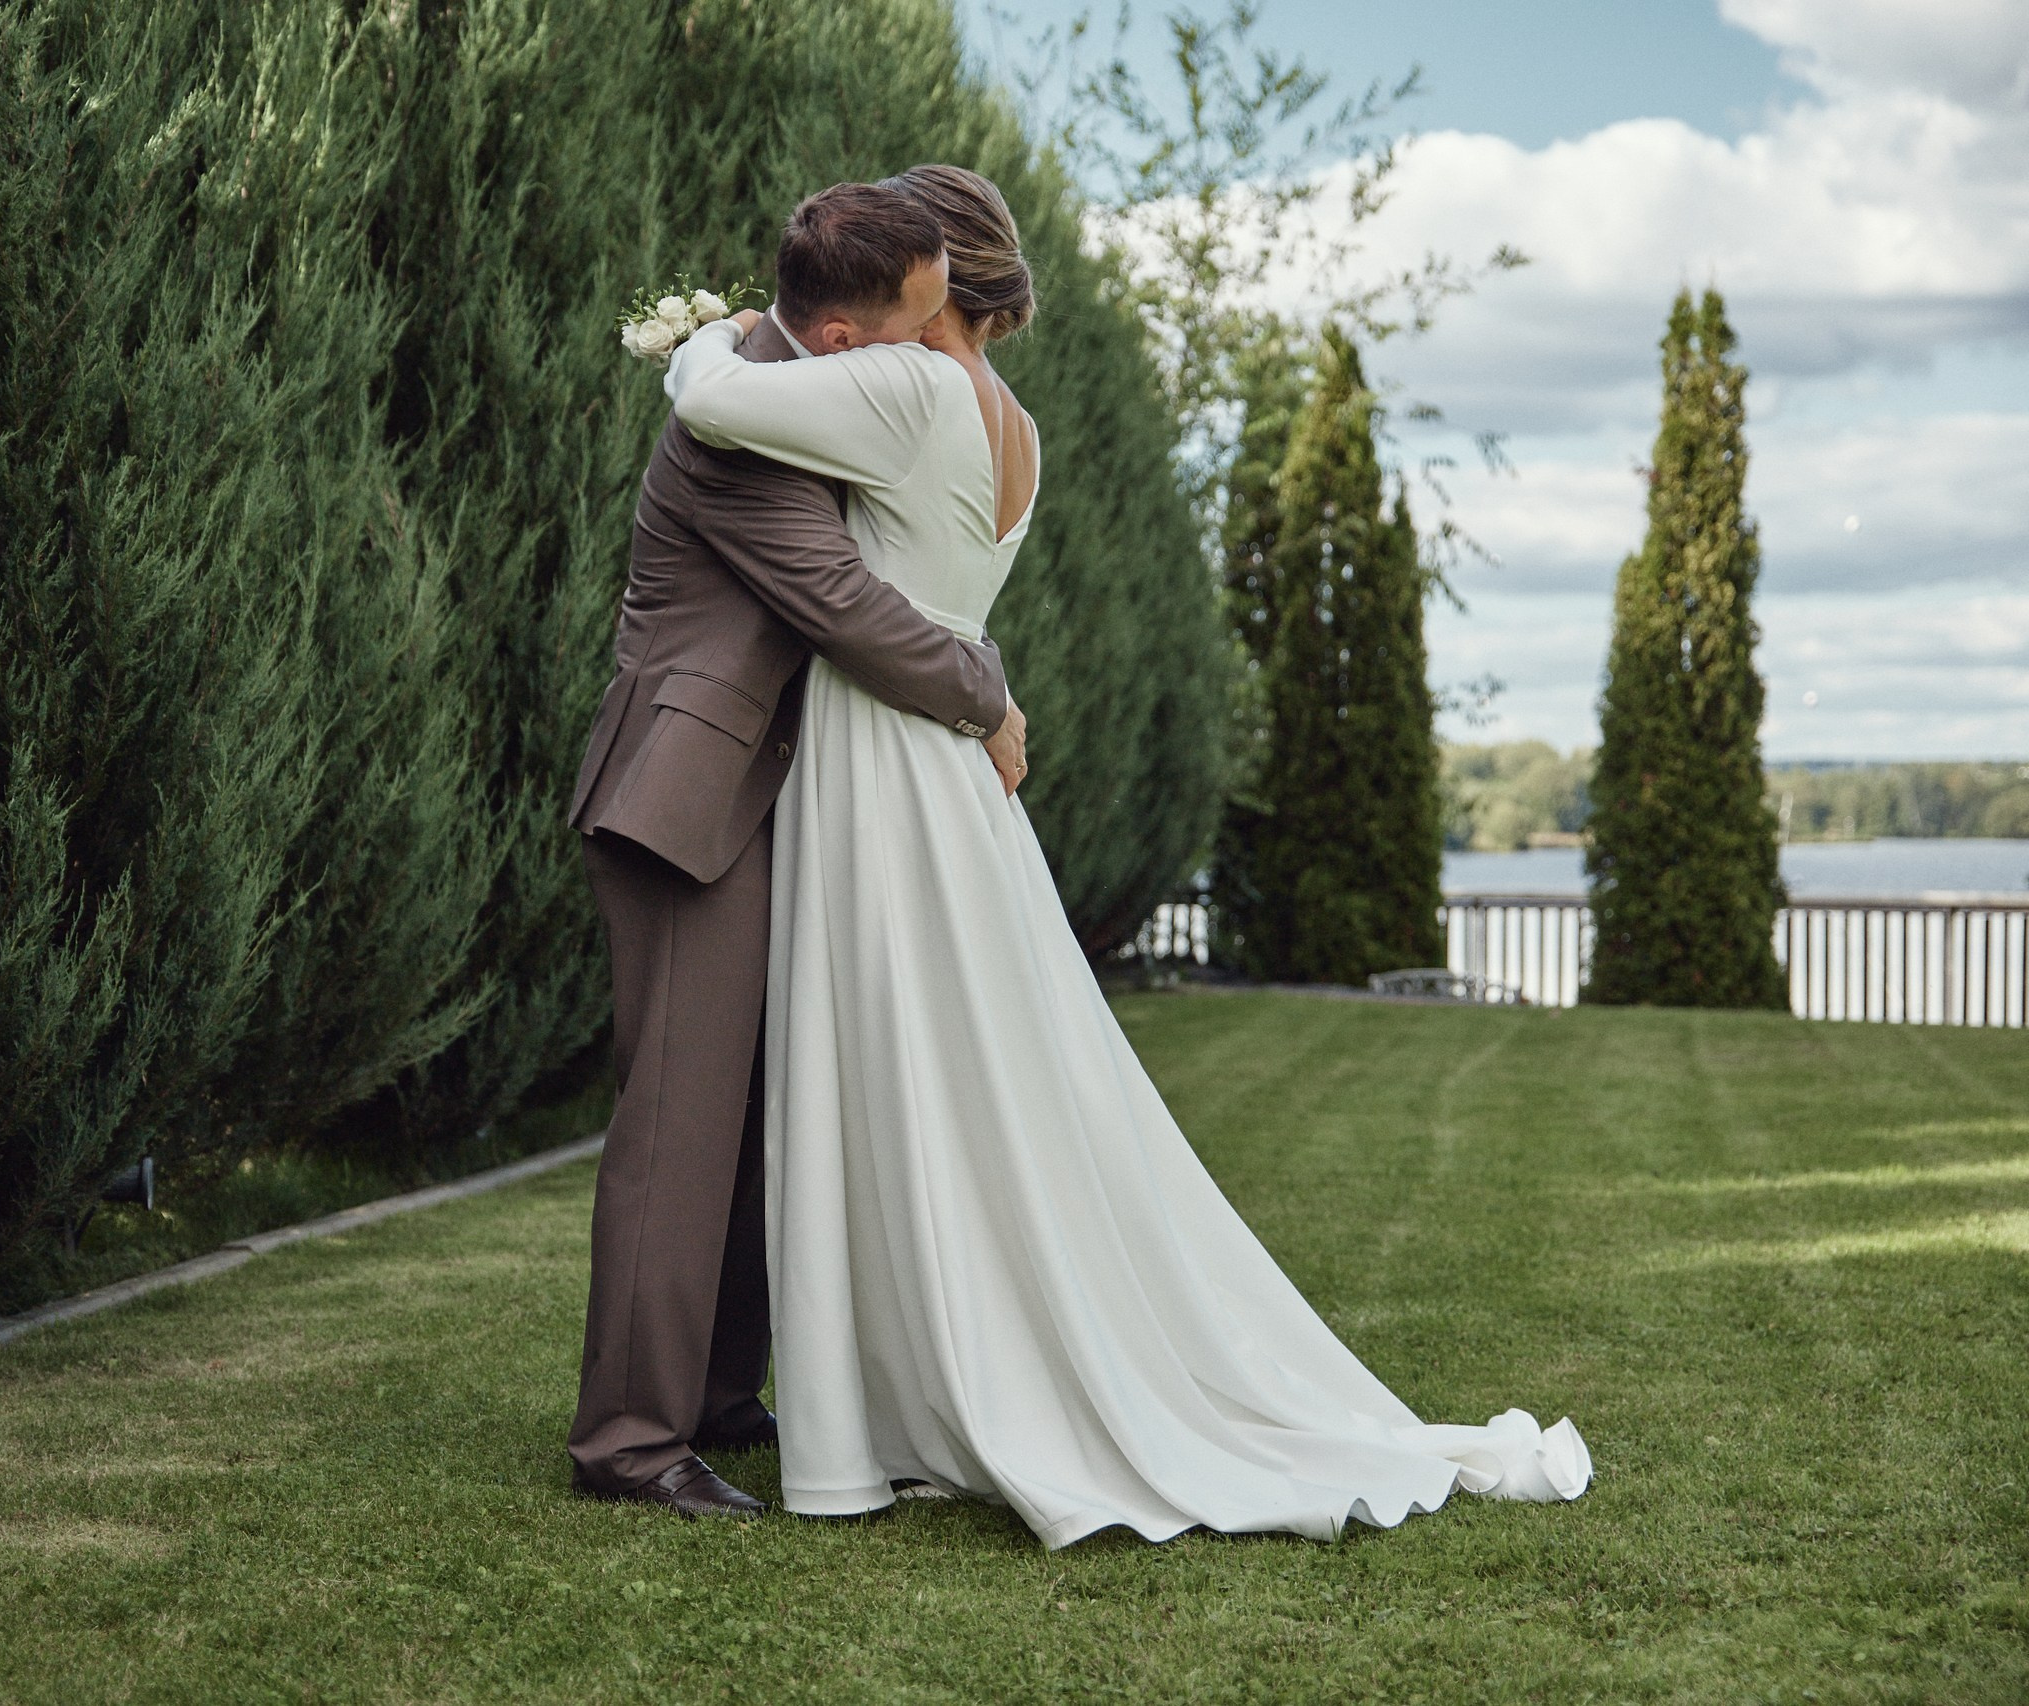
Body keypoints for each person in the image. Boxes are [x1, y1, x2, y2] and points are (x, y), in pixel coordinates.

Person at [662, 163, 1591, 1548]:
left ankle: (887, 1414)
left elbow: (716, 399)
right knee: (961, 1081)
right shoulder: (1016, 425)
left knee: (881, 1069)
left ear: (938, 285)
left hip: (876, 761)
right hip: (953, 775)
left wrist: (692, 330)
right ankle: (927, 1382)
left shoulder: (908, 391)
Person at [562, 181, 1030, 1517]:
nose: (925, 355)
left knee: (769, 1115)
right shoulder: (742, 438)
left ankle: (717, 1393)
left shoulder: (786, 386)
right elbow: (841, 602)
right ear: (844, 339)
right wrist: (987, 692)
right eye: (913, 330)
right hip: (686, 798)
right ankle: (631, 1444)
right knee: (678, 1129)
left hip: (769, 794)